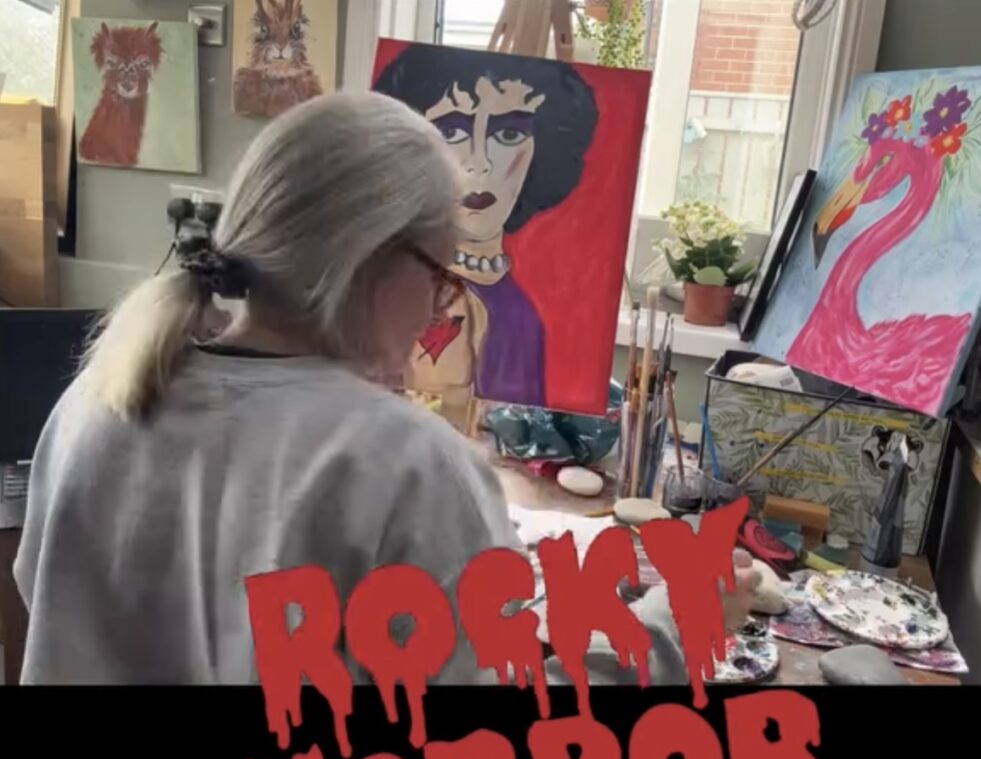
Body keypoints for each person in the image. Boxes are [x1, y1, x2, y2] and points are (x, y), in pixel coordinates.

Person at [14, 91, 755, 686]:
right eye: (440, 277)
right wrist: (674, 627)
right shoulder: (406, 463)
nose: (438, 311)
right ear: (373, 262)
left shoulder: (94, 399)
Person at [374, 44, 598, 412]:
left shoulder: (519, 314)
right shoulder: (402, 289)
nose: (480, 164)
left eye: (507, 135)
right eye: (451, 131)